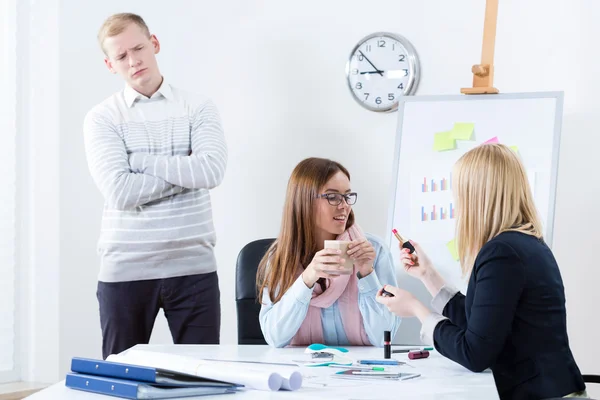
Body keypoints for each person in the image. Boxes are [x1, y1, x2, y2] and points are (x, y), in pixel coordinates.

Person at [376, 144, 587, 399]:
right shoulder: (524, 243)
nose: (456, 205)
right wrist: (427, 275)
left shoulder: (502, 253)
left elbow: (474, 353)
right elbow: (482, 326)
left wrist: (417, 310)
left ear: (477, 197)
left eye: (459, 194)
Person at [83, 13, 227, 359]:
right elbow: (119, 191)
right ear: (109, 64)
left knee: (204, 377)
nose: (133, 61)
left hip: (195, 268)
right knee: (123, 380)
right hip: (125, 270)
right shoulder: (102, 118)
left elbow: (210, 172)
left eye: (139, 48)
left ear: (155, 44)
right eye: (121, 56)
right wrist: (184, 174)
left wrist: (141, 161)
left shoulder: (198, 107)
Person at [257, 157, 401, 348]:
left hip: (361, 372)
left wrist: (367, 273)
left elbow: (384, 338)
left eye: (347, 196)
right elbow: (275, 338)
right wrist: (307, 279)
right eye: (332, 197)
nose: (344, 205)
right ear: (304, 201)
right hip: (305, 372)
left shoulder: (374, 250)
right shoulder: (280, 258)